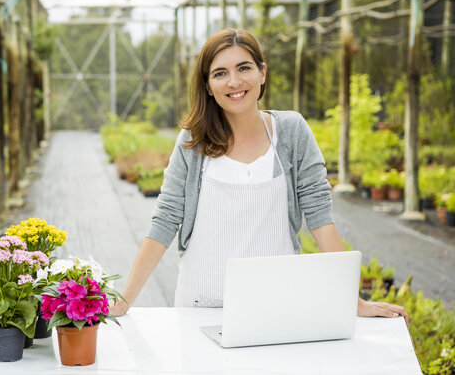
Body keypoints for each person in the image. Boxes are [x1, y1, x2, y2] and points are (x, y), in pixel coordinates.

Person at [110, 28, 408, 323]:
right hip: (199, 306)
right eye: (220, 73)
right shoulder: (193, 142)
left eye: (244, 68)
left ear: (262, 73)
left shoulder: (291, 132)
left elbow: (319, 216)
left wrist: (352, 300)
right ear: (208, 85)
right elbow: (165, 220)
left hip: (277, 306)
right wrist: (124, 301)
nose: (234, 81)